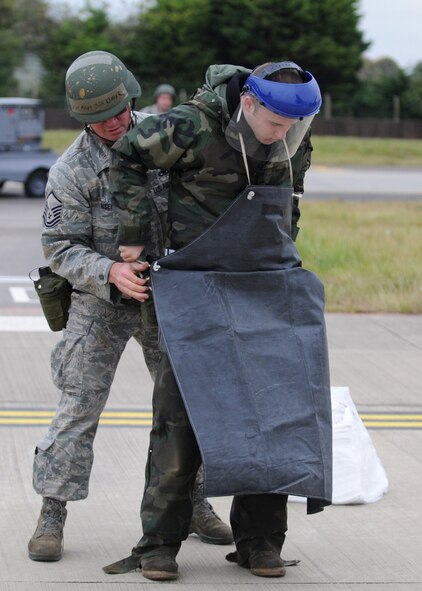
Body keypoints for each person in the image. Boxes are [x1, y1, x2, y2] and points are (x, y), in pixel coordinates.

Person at [105, 61, 332, 582]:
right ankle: (158, 544)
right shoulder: (191, 124)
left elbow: (290, 196)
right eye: (275, 125)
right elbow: (127, 159)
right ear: (247, 104)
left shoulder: (294, 126)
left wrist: (285, 248)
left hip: (263, 284)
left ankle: (261, 542)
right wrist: (135, 235)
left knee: (271, 412)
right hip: (195, 285)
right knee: (179, 418)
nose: (284, 137)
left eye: (293, 129)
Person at [27, 50, 232, 564]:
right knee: (78, 405)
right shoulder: (71, 170)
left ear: (132, 96)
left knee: (186, 404)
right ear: (82, 117)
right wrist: (108, 271)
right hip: (100, 301)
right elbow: (59, 246)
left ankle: (196, 502)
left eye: (119, 109)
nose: (114, 122)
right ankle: (52, 510)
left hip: (167, 295)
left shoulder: (166, 136)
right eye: (100, 117)